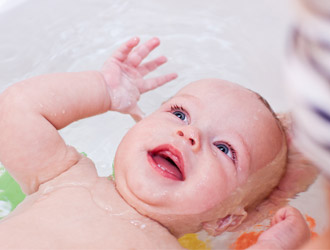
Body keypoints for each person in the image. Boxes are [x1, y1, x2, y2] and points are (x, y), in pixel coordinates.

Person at [0, 37, 316, 249]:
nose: (189, 134)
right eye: (179, 114)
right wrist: (104, 90)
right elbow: (15, 111)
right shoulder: (64, 176)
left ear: (226, 220)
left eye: (224, 149)